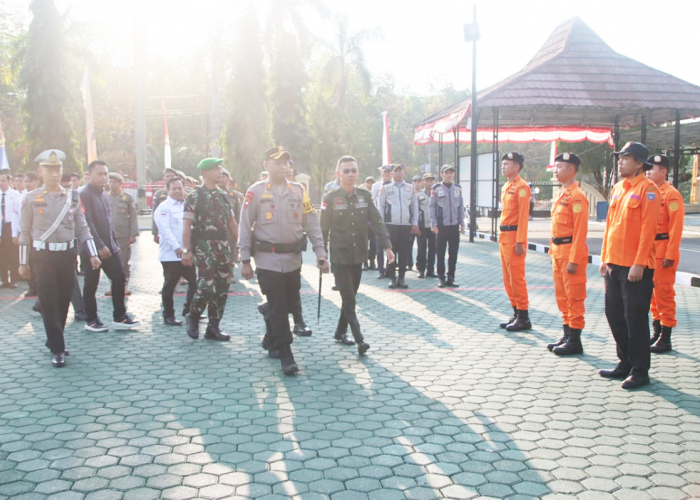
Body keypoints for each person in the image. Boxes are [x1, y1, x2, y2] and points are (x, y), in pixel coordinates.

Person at [238, 146, 327, 375]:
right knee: (279, 306)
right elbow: (245, 225)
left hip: (293, 260)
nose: (282, 166)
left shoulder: (299, 191)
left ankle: (270, 337)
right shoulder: (255, 191)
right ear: (266, 165)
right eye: (277, 162)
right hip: (267, 260)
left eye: (286, 162)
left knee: (286, 305)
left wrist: (321, 253)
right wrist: (245, 259)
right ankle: (286, 354)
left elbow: (312, 223)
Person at [18, 149, 102, 367]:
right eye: (49, 169)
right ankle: (57, 348)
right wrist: (22, 262)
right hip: (42, 256)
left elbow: (82, 227)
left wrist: (93, 253)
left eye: (57, 169)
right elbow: (25, 232)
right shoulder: (30, 199)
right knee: (48, 301)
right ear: (40, 171)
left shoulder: (73, 197)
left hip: (66, 254)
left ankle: (55, 338)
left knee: (64, 300)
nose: (54, 174)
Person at [599, 142, 660, 390]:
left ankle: (639, 370)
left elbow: (648, 230)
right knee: (614, 314)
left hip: (636, 268)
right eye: (620, 157)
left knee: (634, 318)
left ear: (639, 163)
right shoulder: (618, 189)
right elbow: (610, 225)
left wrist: (639, 264)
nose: (620, 162)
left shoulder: (649, 190)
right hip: (614, 263)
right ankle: (624, 362)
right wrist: (604, 257)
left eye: (626, 158)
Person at [320, 155, 394, 354]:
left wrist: (387, 246)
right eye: (346, 171)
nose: (350, 174)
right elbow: (322, 230)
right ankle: (360, 339)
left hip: (358, 255)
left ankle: (339, 331)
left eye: (353, 170)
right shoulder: (330, 198)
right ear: (338, 174)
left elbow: (377, 222)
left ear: (358, 173)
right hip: (339, 257)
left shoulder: (365, 196)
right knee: (350, 299)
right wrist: (322, 255)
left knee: (349, 297)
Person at [182, 158, 238, 341]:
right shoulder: (194, 197)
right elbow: (186, 225)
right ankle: (194, 315)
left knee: (222, 287)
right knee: (206, 286)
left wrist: (242, 244)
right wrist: (186, 250)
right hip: (204, 247)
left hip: (223, 246)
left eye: (221, 167)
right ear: (205, 173)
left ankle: (213, 327)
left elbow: (232, 222)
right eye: (216, 168)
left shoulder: (224, 196)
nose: (220, 171)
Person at [80, 160, 140, 332]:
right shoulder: (84, 194)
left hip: (109, 247)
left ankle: (120, 317)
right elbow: (87, 223)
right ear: (90, 175)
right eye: (100, 174)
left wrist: (113, 244)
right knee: (91, 283)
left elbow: (109, 223)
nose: (104, 177)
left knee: (119, 277)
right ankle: (91, 319)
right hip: (91, 248)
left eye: (106, 174)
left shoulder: (104, 194)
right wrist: (99, 246)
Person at [546, 153, 589, 356]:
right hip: (558, 252)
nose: (556, 170)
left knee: (574, 297)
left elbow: (580, 231)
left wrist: (574, 259)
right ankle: (566, 334)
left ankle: (575, 340)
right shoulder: (562, 193)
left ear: (571, 170)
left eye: (560, 166)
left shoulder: (577, 196)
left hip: (571, 253)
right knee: (562, 296)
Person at [646, 154, 684, 354]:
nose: (649, 171)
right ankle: (656, 331)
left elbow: (676, 228)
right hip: (650, 250)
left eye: (653, 168)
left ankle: (666, 337)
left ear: (664, 171)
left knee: (664, 294)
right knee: (652, 294)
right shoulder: (650, 192)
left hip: (663, 251)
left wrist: (671, 254)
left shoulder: (671, 195)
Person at [154, 176, 197, 326]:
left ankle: (189, 311)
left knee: (195, 282)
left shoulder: (185, 205)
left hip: (187, 253)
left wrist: (189, 249)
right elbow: (165, 231)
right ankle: (168, 315)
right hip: (171, 255)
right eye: (174, 188)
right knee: (170, 286)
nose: (178, 191)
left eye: (180, 188)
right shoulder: (163, 208)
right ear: (167, 190)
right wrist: (179, 249)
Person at [498, 152, 532, 331]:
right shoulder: (506, 186)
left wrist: (521, 242)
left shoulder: (521, 187)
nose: (503, 167)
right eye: (503, 164)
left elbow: (523, 217)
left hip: (514, 238)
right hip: (504, 237)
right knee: (507, 278)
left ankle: (524, 316)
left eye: (506, 164)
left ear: (516, 167)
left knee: (517, 278)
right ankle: (516, 312)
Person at [377, 163, 419, 289]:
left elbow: (415, 207)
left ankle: (401, 278)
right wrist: (381, 224)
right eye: (395, 171)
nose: (398, 173)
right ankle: (392, 278)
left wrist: (415, 223)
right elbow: (381, 207)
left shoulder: (410, 188)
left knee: (404, 252)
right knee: (391, 251)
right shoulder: (386, 188)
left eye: (400, 171)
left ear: (403, 173)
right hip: (390, 225)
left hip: (405, 225)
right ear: (392, 173)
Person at [430, 165, 465, 287]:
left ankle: (451, 277)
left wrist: (462, 224)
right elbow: (432, 207)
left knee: (453, 253)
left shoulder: (458, 188)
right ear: (442, 175)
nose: (449, 175)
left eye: (451, 173)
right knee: (440, 253)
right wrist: (433, 224)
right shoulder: (436, 188)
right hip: (441, 226)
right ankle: (441, 277)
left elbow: (460, 207)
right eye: (446, 173)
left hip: (454, 226)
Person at [107, 173, 139, 296]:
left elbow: (133, 218)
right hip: (109, 235)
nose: (111, 184)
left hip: (123, 235)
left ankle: (124, 286)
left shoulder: (127, 198)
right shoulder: (105, 197)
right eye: (110, 182)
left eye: (114, 182)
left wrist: (132, 234)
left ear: (120, 183)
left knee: (123, 261)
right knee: (110, 263)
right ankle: (114, 286)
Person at [371, 165, 393, 278]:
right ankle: (380, 270)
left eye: (389, 172)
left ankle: (389, 268)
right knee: (379, 247)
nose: (387, 174)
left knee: (391, 246)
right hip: (379, 220)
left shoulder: (395, 185)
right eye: (385, 172)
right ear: (381, 174)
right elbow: (372, 201)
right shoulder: (376, 186)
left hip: (391, 221)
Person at [0, 171, 20, 288]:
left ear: (8, 181)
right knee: (2, 255)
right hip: (1, 226)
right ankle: (3, 279)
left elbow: (17, 213)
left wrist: (16, 232)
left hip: (10, 226)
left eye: (3, 180)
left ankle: (14, 279)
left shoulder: (15, 194)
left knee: (12, 254)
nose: (1, 183)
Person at [416, 172, 437, 279]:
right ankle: (421, 269)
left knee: (433, 249)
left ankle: (431, 270)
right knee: (421, 249)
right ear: (423, 182)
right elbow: (415, 211)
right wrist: (416, 226)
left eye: (431, 180)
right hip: (422, 226)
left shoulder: (436, 194)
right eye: (427, 180)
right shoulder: (419, 195)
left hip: (433, 226)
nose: (429, 183)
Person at [151, 167, 178, 243]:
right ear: (163, 178)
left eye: (172, 176)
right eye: (167, 176)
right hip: (164, 230)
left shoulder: (182, 192)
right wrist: (155, 233)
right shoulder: (159, 194)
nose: (169, 178)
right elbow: (155, 214)